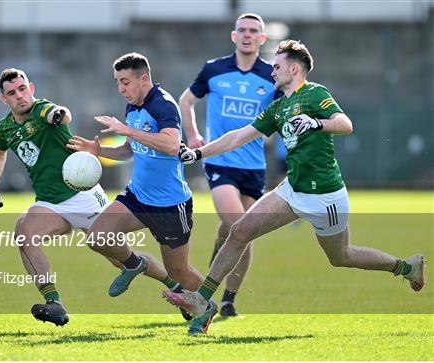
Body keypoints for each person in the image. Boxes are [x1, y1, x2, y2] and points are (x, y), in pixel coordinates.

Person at [164, 40, 425, 333]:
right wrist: (199, 153)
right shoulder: (278, 107)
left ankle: (406, 267)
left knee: (342, 257)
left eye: (276, 67)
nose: (272, 72)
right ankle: (203, 301)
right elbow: (238, 136)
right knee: (239, 231)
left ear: (294, 68)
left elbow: (344, 123)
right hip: (292, 190)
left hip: (325, 197)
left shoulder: (315, 94)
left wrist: (316, 123)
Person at [68, 53, 215, 334]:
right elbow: (129, 149)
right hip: (137, 196)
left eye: (125, 82)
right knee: (98, 237)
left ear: (143, 78)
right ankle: (135, 265)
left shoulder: (163, 105)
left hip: (170, 205)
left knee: (178, 272)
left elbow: (172, 145)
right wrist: (99, 152)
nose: (121, 88)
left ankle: (205, 307)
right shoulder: (132, 108)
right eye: (117, 83)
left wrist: (129, 131)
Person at [0, 68, 109, 326]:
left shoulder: (42, 110)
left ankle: (174, 285)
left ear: (31, 88)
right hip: (50, 203)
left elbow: (60, 113)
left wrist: (58, 115)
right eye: (12, 93)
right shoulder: (5, 127)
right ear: (4, 99)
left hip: (84, 197)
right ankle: (54, 303)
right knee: (23, 232)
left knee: (121, 258)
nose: (19, 96)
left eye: (22, 89)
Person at [179, 13, 280, 316]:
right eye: (242, 30)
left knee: (236, 232)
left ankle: (228, 300)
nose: (247, 35)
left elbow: (280, 113)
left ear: (262, 39)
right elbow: (186, 101)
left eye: (254, 31)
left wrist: (269, 134)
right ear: (234, 36)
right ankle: (204, 296)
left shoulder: (272, 75)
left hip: (253, 166)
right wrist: (194, 135)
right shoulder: (214, 69)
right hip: (219, 160)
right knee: (240, 225)